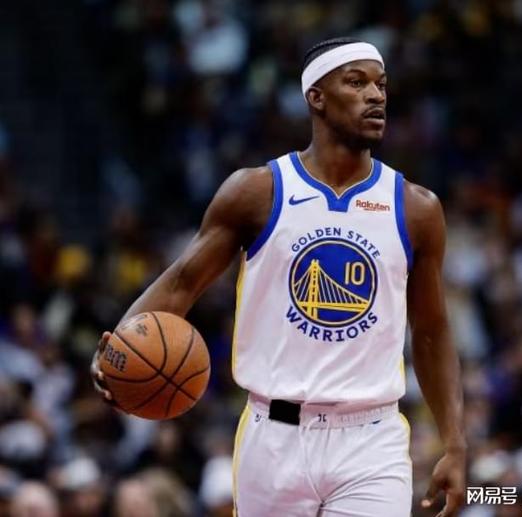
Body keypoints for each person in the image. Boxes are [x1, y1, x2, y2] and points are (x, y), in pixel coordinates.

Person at [91, 37, 466, 517]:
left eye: (381, 85)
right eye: (356, 83)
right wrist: (117, 349)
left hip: (371, 440)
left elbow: (432, 330)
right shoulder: (258, 192)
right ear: (316, 97)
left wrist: (454, 441)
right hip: (272, 435)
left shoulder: (416, 208)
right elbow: (183, 282)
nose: (376, 95)